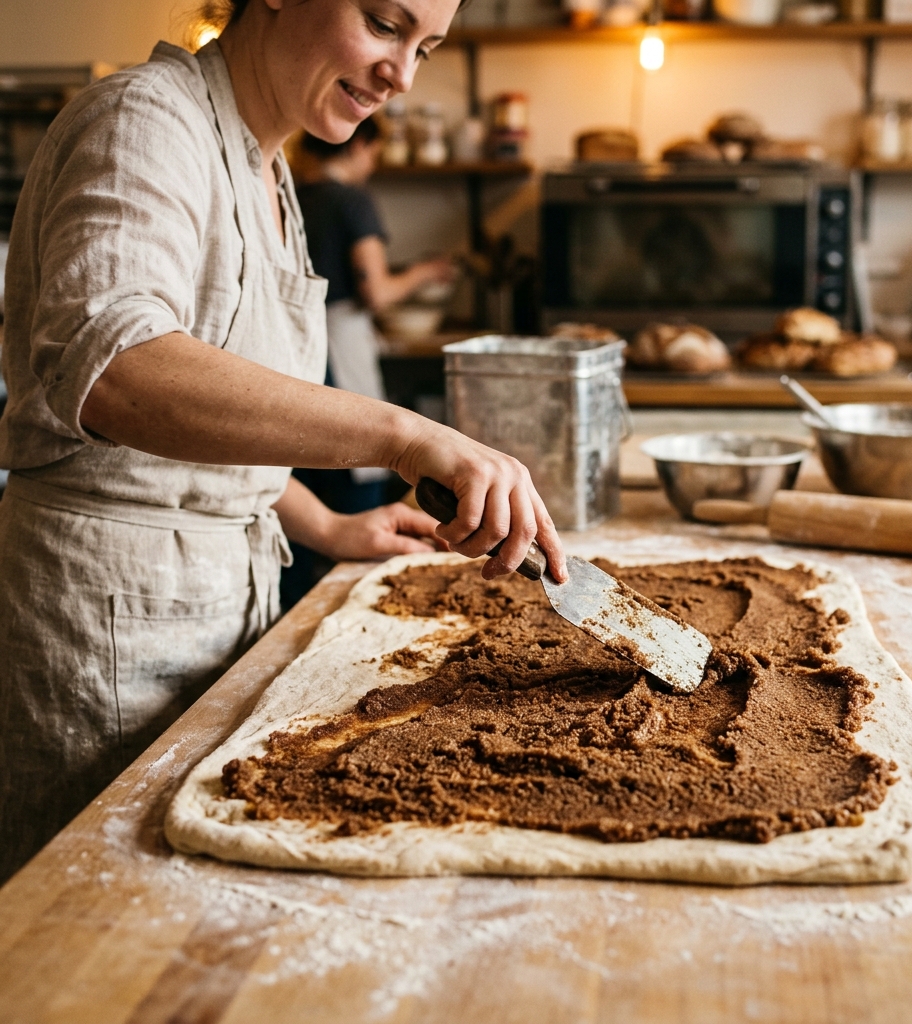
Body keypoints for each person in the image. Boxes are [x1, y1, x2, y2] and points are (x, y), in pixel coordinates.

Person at [0, 0, 566, 884]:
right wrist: (405, 435)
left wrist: (324, 527)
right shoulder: (144, 122)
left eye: (426, 47)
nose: (403, 76)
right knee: (95, 929)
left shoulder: (271, 169)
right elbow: (115, 371)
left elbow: (204, 430)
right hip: (110, 625)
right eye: (384, 23)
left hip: (225, 602)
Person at [280, 120, 454, 608]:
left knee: (295, 473)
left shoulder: (290, 194)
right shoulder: (350, 200)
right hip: (337, 345)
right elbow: (376, 291)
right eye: (373, 152)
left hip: (285, 350)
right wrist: (426, 272)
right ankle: (357, 599)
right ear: (359, 143)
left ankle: (296, 603)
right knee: (355, 471)